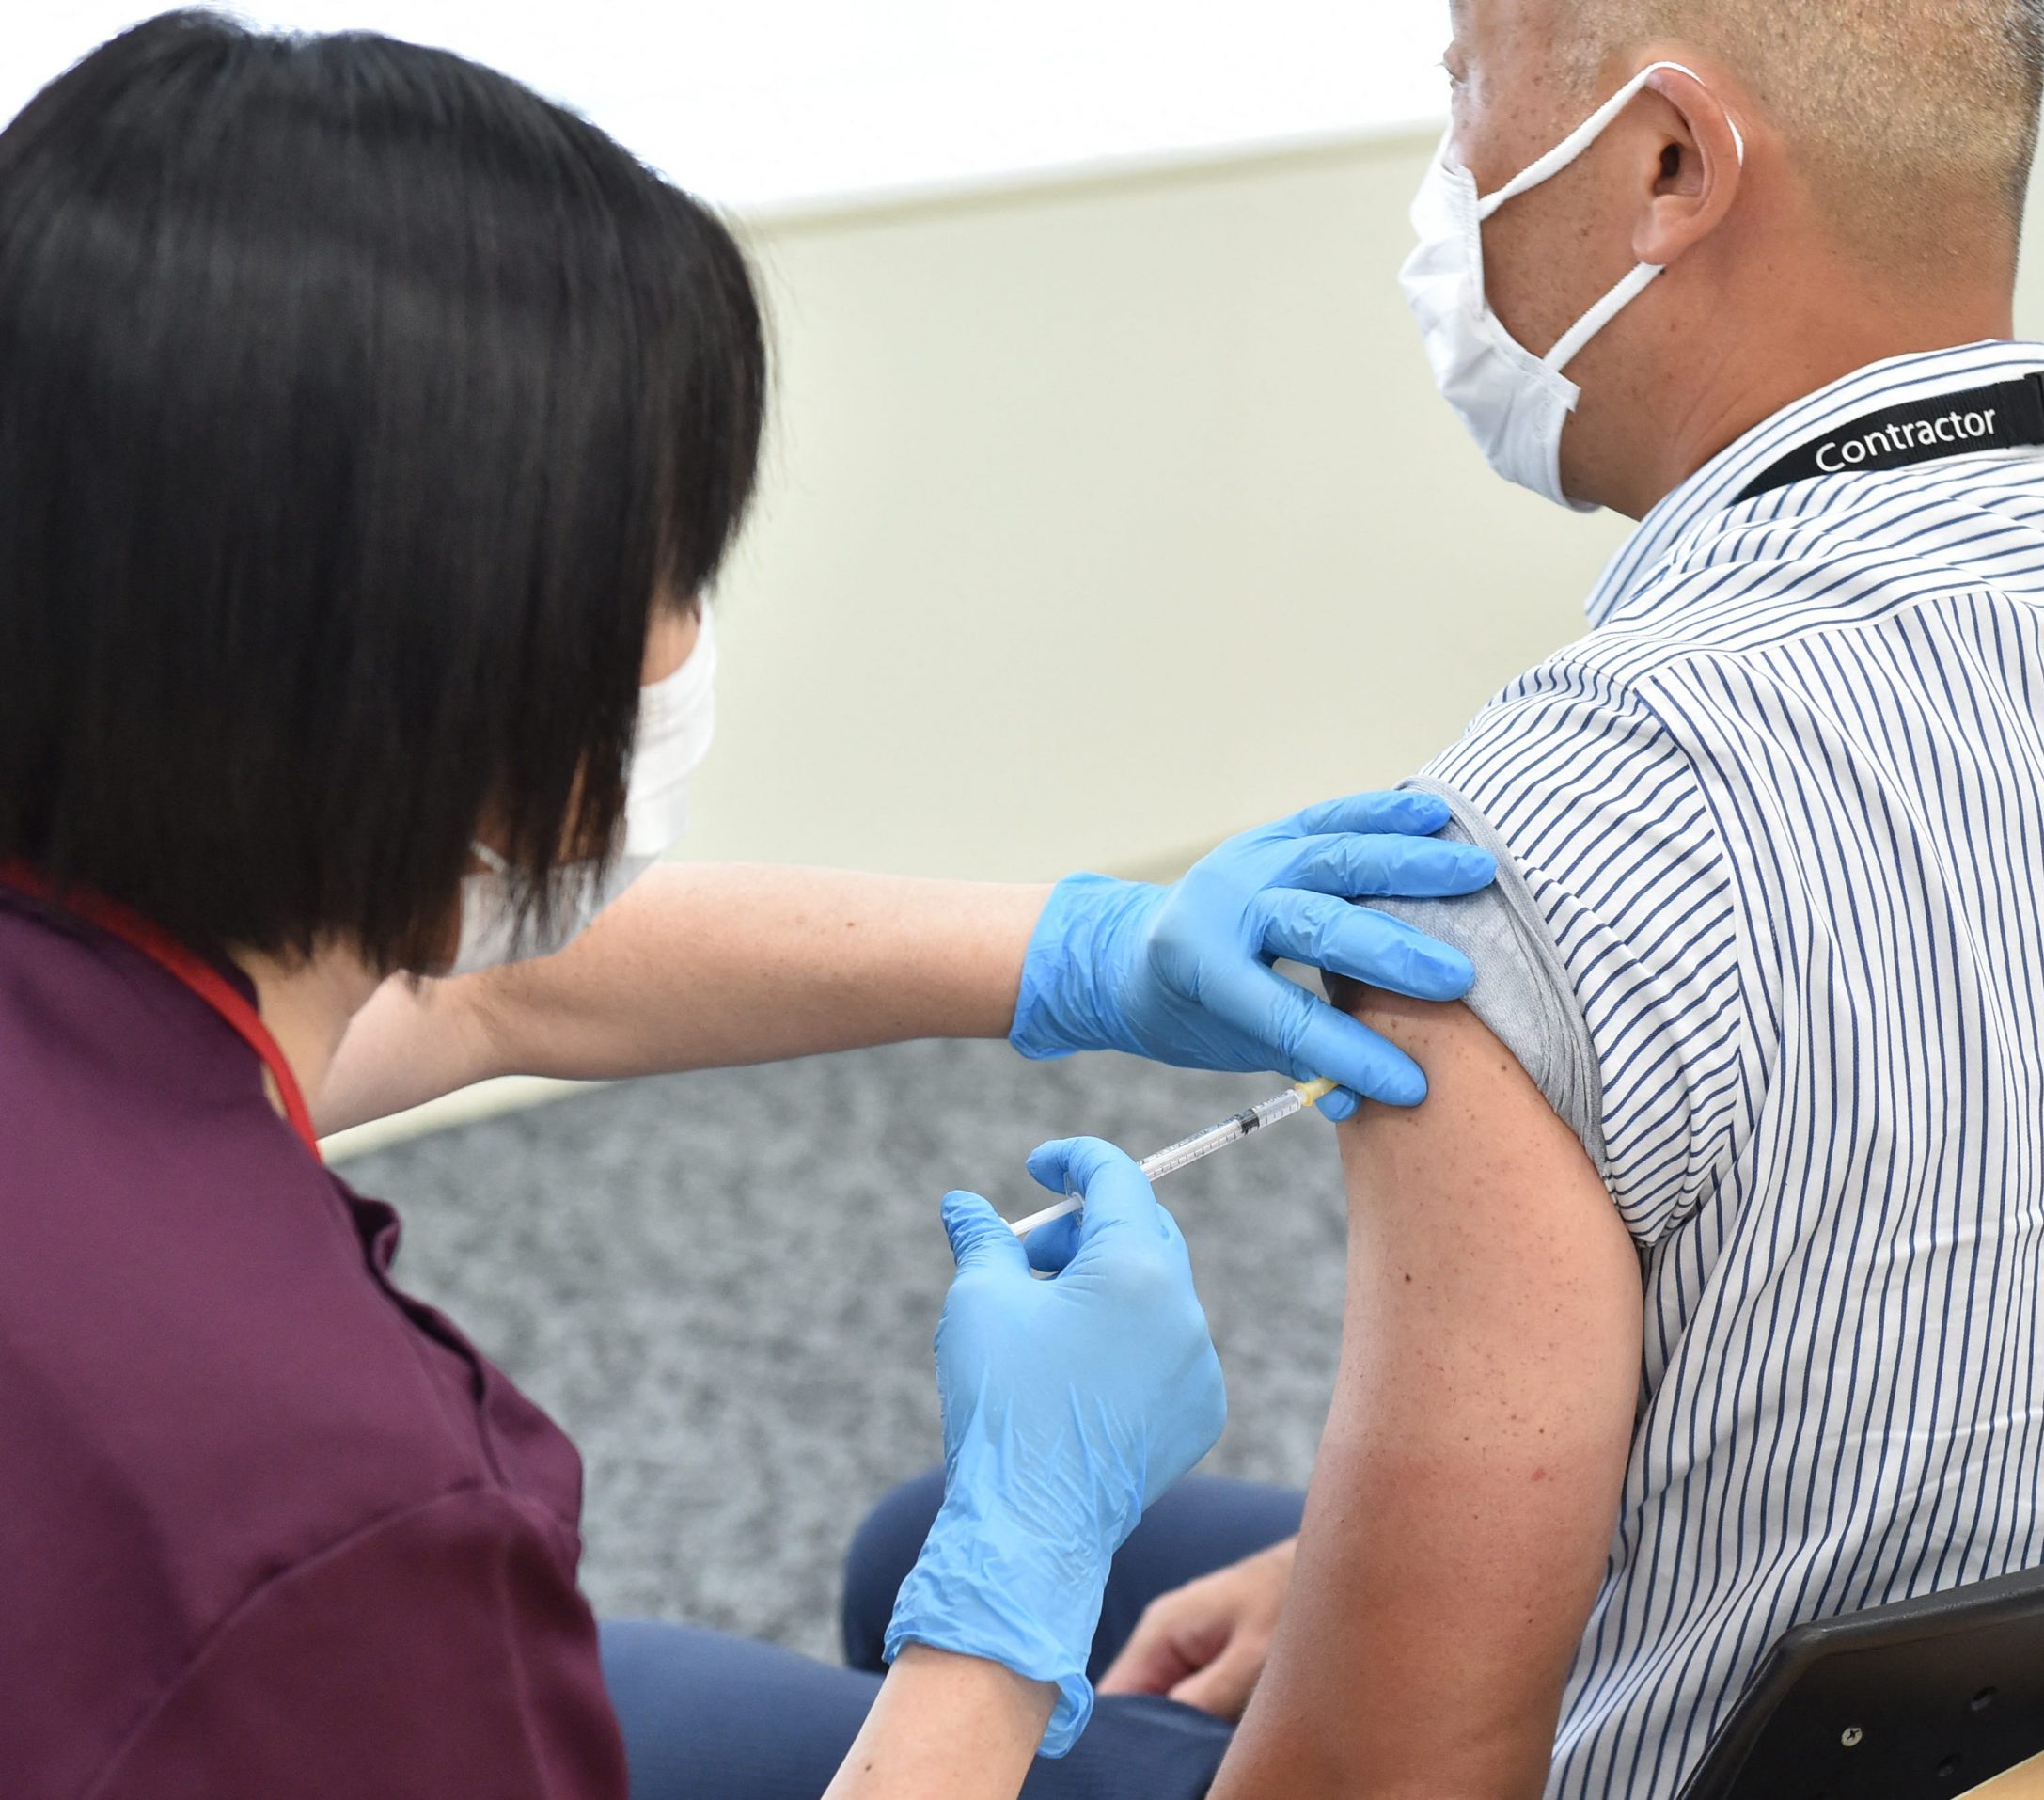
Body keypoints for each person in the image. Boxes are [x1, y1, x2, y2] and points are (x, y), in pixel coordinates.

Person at [859, 3, 2044, 1798]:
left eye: (1465, 101)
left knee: (903, 1567)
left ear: (1669, 163)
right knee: (952, 1535)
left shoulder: (1550, 830)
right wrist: (1390, 1574)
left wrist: (1005, 1586)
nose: (1453, 183)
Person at [0, 12, 1497, 1798]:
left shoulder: (103, 990)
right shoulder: (338, 1526)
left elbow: (484, 995)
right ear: (451, 673)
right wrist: (1010, 1586)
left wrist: (1085, 947)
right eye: (669, 569)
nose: (690, 641)